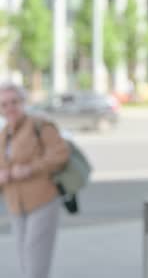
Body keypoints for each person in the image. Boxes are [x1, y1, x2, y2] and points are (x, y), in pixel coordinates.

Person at [0, 82, 70, 278]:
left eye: (14, 102)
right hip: (15, 205)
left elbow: (60, 154)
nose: (9, 108)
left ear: (23, 102)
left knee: (36, 263)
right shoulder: (4, 134)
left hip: (42, 201)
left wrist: (30, 168)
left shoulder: (40, 125)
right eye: (4, 104)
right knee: (24, 260)